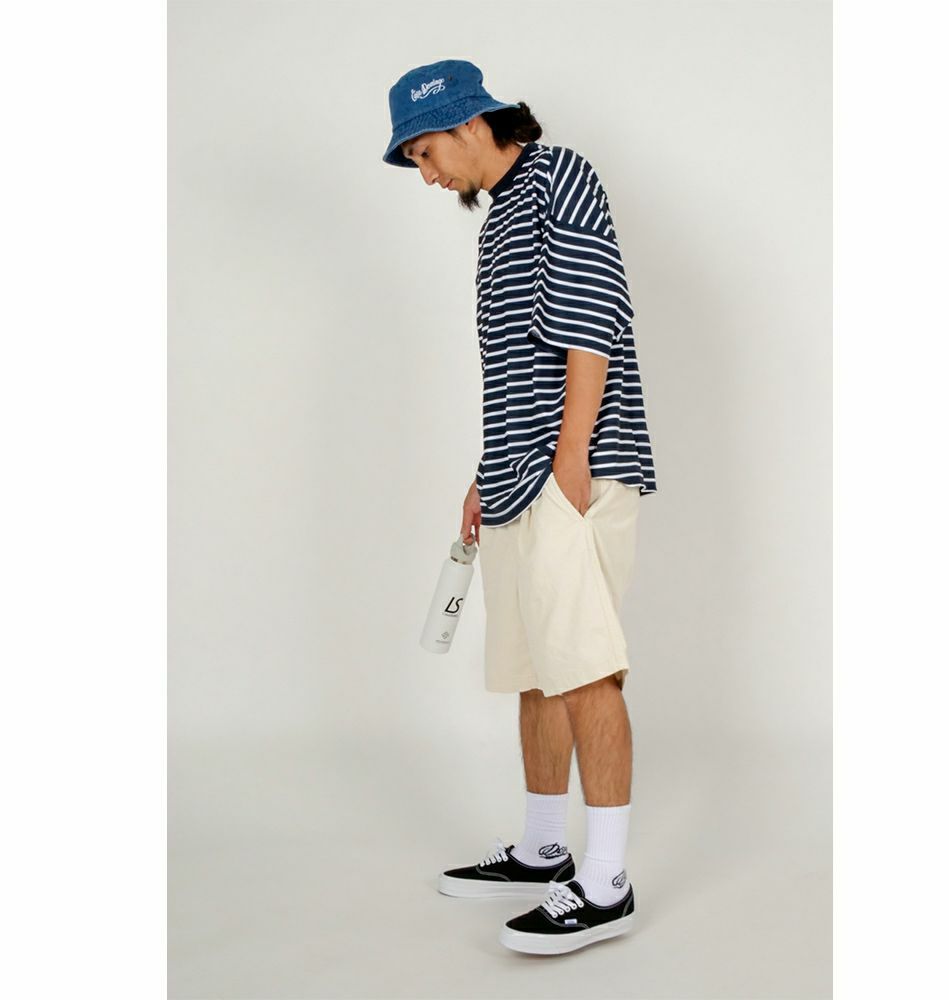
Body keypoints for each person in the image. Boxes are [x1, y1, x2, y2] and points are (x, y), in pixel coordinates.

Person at [383, 59, 658, 955]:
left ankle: (606, 884)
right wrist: (486, 470)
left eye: (426, 153)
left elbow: (590, 320)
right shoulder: (500, 215)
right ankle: (545, 850)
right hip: (516, 474)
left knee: (585, 669)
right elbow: (514, 369)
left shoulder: (559, 175)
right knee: (538, 671)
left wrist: (571, 459)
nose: (428, 175)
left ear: (470, 122)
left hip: (569, 472)